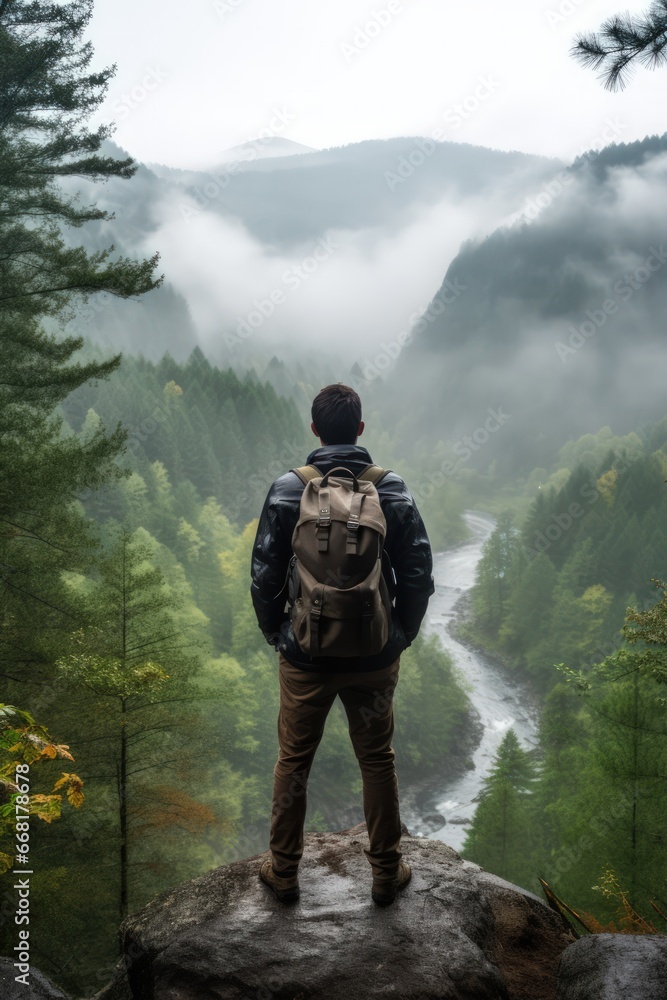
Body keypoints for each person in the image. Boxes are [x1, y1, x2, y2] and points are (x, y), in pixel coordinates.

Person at [250, 383, 434, 905]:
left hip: (305, 653)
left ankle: (284, 873)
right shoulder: (390, 489)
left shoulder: (289, 489)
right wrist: (400, 635)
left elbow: (263, 575)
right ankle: (385, 873)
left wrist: (278, 634)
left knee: (293, 760)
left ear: (314, 430)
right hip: (375, 653)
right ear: (359, 428)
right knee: (377, 759)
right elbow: (418, 571)